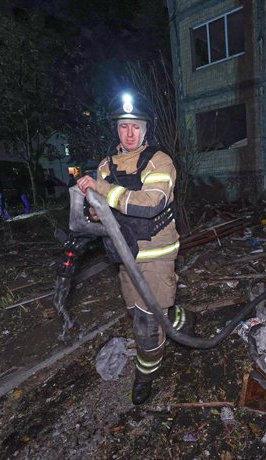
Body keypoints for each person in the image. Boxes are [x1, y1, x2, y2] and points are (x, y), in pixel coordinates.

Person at [77, 91, 195, 405]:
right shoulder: (105, 165)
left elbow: (149, 205)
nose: (129, 133)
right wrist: (92, 207)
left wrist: (99, 188)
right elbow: (102, 209)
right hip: (123, 255)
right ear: (116, 128)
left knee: (145, 326)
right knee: (136, 311)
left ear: (146, 128)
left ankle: (145, 375)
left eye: (136, 126)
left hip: (156, 256)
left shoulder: (159, 161)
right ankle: (177, 316)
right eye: (123, 126)